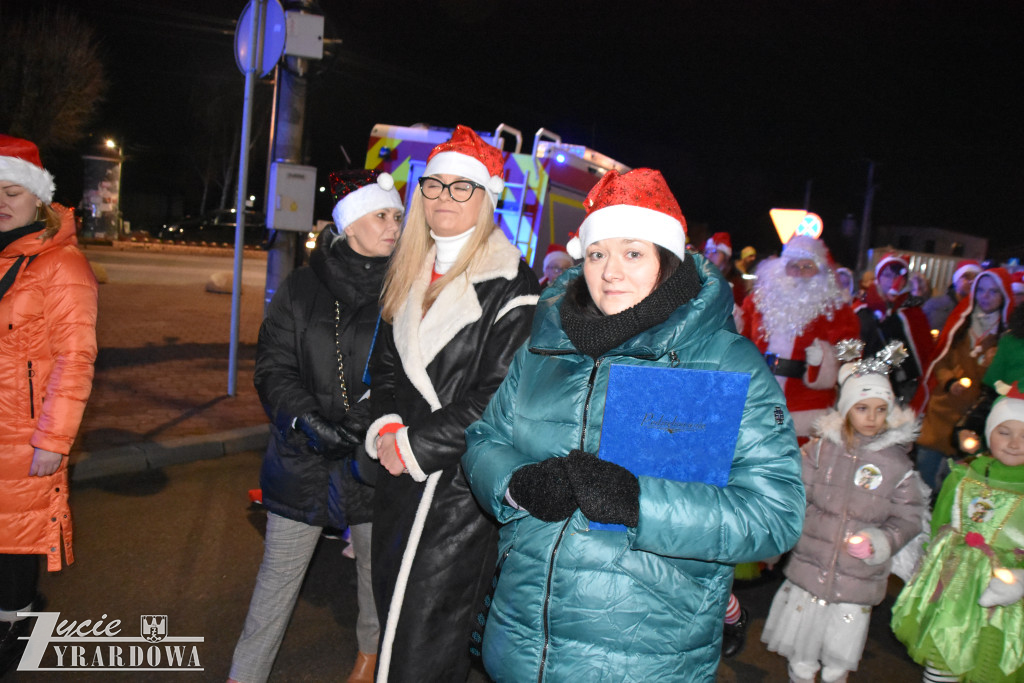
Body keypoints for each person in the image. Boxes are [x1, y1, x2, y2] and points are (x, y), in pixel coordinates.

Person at [462, 168, 805, 682]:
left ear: (668, 260)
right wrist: (514, 484)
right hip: (521, 643)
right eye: (597, 253)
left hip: (643, 656)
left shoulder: (724, 362)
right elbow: (483, 440)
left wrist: (640, 503)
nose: (609, 272)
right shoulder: (546, 348)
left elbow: (774, 513)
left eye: (633, 253)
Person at [361, 125, 540, 682]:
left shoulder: (512, 285)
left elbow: (497, 400)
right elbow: (383, 372)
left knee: (425, 643)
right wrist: (386, 430)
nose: (443, 198)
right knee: (395, 618)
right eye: (434, 185)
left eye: (461, 188)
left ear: (487, 198)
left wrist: (414, 444)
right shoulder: (407, 270)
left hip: (457, 490)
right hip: (398, 479)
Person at [227, 170, 403, 683]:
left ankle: (369, 656)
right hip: (302, 457)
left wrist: (367, 423)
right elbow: (272, 367)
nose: (393, 226)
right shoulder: (301, 287)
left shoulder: (405, 288)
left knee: (375, 574)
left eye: (397, 216)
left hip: (373, 459)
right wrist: (307, 421)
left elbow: (410, 375)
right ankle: (245, 673)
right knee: (277, 580)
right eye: (381, 216)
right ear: (350, 225)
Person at [762, 347, 927, 683]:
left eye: (881, 410)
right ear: (847, 408)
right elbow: (796, 497)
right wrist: (779, 542)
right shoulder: (820, 451)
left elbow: (909, 517)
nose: (872, 417)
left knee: (839, 653)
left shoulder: (896, 465)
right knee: (802, 653)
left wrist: (881, 540)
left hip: (857, 580)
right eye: (862, 408)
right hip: (810, 569)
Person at [0, 135, 98, 674]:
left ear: (37, 198)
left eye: (12, 190)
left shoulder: (62, 265)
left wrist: (53, 439)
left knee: (14, 543)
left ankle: (18, 627)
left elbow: (76, 358)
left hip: (24, 431)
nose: (1, 201)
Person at [891, 382, 1024, 683]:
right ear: (989, 432)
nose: (1014, 443)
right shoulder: (964, 475)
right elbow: (940, 524)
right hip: (954, 589)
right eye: (1004, 432)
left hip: (1009, 597)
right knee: (942, 658)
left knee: (988, 664)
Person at [738, 237, 861, 440]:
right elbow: (739, 343)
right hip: (756, 399)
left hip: (807, 406)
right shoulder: (758, 301)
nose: (799, 272)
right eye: (793, 266)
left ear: (821, 272)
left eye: (807, 266)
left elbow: (852, 355)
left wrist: (825, 356)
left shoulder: (837, 310)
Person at [913, 268, 1014, 492]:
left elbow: (1004, 381)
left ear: (1003, 296)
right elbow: (940, 360)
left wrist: (992, 363)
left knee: (956, 486)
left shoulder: (1006, 338)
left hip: (972, 419)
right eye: (982, 291)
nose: (986, 297)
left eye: (993, 292)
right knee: (923, 479)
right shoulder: (960, 324)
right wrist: (949, 381)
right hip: (942, 411)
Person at [855, 253, 934, 406]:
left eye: (898, 276)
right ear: (878, 277)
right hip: (867, 382)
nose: (892, 281)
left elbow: (920, 351)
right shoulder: (862, 309)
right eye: (887, 275)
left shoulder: (911, 311)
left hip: (903, 387)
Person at [922, 258, 981, 331]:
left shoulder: (979, 310)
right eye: (967, 276)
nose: (971, 282)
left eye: (976, 278)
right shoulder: (936, 305)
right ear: (956, 280)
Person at [704, 231, 747, 305]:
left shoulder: (736, 282)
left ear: (726, 257)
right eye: (707, 251)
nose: (709, 256)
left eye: (715, 251)